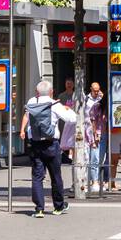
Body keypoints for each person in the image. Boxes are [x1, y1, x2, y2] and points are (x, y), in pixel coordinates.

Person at [19, 81, 77, 217]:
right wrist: (66, 109)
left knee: (37, 177)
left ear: (37, 91)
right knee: (55, 176)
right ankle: (58, 206)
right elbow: (72, 119)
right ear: (51, 91)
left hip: (35, 143)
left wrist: (22, 130)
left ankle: (39, 209)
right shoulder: (55, 104)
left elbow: (27, 116)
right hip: (51, 144)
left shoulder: (31, 101)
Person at [83, 82, 107, 195]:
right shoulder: (85, 99)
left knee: (97, 158)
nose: (96, 92)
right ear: (91, 89)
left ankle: (95, 181)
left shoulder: (100, 100)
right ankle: (89, 182)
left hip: (99, 131)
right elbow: (90, 118)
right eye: (94, 90)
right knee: (87, 157)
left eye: (98, 90)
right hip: (87, 131)